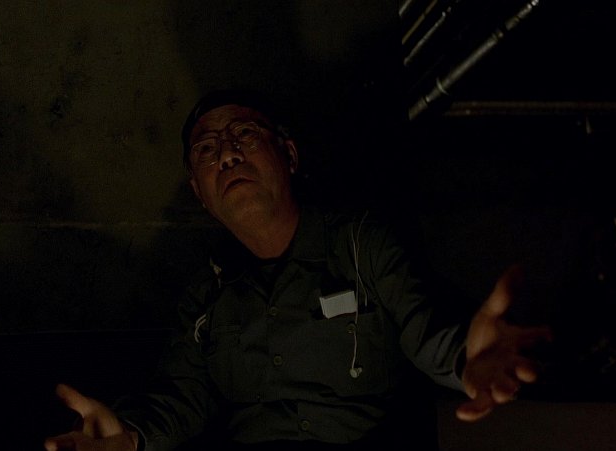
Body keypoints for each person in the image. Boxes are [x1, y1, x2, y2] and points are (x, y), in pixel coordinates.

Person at [44, 89, 552, 451]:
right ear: (199, 192)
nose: (227, 155)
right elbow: (179, 400)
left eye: (244, 134)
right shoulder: (206, 297)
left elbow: (425, 328)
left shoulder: (361, 245)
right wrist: (128, 438)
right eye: (206, 149)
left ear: (287, 154)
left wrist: (467, 361)